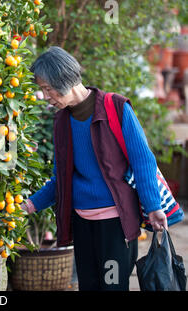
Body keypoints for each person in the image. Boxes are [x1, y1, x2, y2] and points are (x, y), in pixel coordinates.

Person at [22, 46, 168, 291]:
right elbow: (61, 179)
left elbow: (143, 161)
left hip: (115, 226)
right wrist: (29, 205)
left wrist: (153, 207)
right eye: (42, 89)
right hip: (82, 224)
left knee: (111, 287)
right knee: (88, 286)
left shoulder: (116, 107)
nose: (45, 96)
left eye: (48, 88)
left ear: (65, 79)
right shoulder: (61, 122)